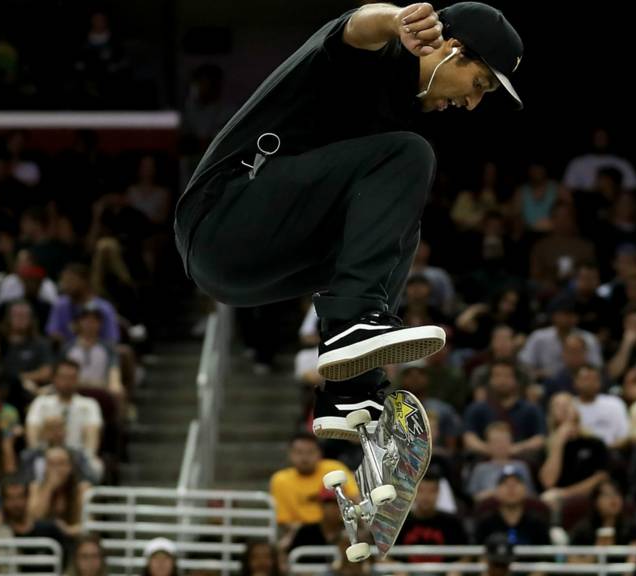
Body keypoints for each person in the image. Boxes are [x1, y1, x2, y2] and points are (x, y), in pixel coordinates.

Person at [174, 2, 522, 435]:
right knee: (410, 154)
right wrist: (398, 21)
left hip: (245, 271)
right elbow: (358, 26)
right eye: (478, 84)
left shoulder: (397, 115)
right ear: (451, 49)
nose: (471, 103)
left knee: (401, 229)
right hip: (222, 217)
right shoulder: (383, 56)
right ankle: (353, 325)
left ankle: (350, 392)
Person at [25, 360, 104, 475]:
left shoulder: (89, 405)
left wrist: (87, 458)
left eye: (72, 377)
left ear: (78, 379)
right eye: (63, 377)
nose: (67, 382)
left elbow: (92, 440)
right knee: (31, 460)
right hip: (46, 455)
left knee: (95, 466)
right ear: (54, 379)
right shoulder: (41, 403)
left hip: (77, 456)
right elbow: (32, 436)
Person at [269, 433, 358, 528]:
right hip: (301, 531)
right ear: (290, 454)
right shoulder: (280, 480)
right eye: (299, 452)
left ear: (320, 453)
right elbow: (284, 520)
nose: (305, 458)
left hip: (339, 526)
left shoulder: (334, 468)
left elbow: (355, 498)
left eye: (310, 452)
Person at [462, 361, 545, 458]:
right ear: (490, 380)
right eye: (497, 376)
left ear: (516, 381)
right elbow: (469, 438)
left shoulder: (531, 410)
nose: (502, 380)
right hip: (485, 460)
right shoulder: (476, 409)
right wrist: (492, 450)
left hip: (521, 460)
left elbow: (540, 439)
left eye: (507, 376)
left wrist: (515, 449)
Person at [539, 392, 609, 504]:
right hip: (557, 502)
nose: (563, 409)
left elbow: (601, 477)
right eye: (558, 406)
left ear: (577, 410)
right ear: (551, 414)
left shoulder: (594, 442)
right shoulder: (546, 446)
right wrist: (558, 442)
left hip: (591, 497)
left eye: (567, 404)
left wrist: (565, 494)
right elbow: (548, 482)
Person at [519, 295, 603, 380]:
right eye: (565, 313)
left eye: (573, 314)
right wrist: (539, 373)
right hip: (543, 383)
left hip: (578, 383)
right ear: (554, 315)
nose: (569, 318)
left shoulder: (588, 339)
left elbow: (597, 367)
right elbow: (524, 365)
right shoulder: (539, 337)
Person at [396, 472, 468, 559]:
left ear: (438, 492)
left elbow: (468, 553)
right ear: (413, 493)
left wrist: (457, 569)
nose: (426, 497)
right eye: (421, 491)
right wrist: (396, 568)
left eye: (431, 491)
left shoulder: (452, 523)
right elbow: (382, 555)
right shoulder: (399, 523)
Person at [46, 263, 121, 346]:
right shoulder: (60, 304)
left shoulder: (103, 308)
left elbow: (111, 340)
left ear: (84, 281)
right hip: (67, 352)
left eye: (70, 281)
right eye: (63, 281)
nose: (65, 286)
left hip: (98, 352)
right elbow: (52, 332)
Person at [474, 467, 551, 546]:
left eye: (516, 483)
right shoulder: (486, 523)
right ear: (496, 491)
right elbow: (474, 553)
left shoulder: (537, 523)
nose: (511, 488)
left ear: (525, 490)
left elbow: (547, 555)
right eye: (505, 483)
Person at [27, 446, 89, 536]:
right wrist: (49, 487)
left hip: (73, 540)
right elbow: (35, 519)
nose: (56, 470)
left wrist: (66, 530)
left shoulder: (82, 489)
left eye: (61, 464)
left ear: (70, 466)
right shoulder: (35, 488)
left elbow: (88, 525)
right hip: (44, 539)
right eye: (51, 464)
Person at [466, 422, 535, 500]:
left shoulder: (521, 466)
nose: (500, 445)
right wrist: (495, 493)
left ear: (511, 442)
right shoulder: (480, 469)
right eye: (496, 442)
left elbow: (529, 494)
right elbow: (473, 497)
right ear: (488, 444)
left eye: (504, 441)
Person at [570, 479, 636, 547]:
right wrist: (597, 550)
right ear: (595, 501)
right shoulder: (583, 531)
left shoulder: (632, 529)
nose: (613, 498)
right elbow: (573, 559)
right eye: (606, 494)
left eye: (616, 493)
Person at [572, 364, 628, 449]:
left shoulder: (615, 403)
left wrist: (604, 450)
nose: (590, 383)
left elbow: (625, 436)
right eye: (586, 379)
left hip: (611, 451)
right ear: (575, 382)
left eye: (594, 379)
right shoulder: (570, 405)